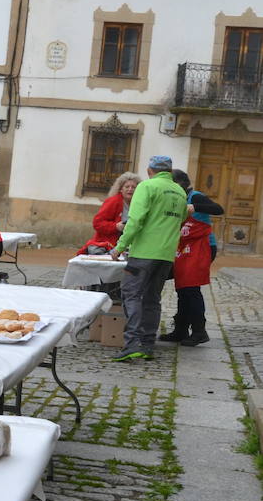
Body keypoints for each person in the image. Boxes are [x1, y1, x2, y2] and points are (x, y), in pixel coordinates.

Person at [109, 155, 188, 362]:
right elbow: (181, 220)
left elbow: (135, 221)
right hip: (166, 255)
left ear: (149, 170)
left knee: (131, 295)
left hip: (144, 253)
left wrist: (120, 247)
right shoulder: (180, 191)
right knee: (152, 299)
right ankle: (147, 344)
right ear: (169, 171)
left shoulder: (147, 187)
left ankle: (132, 343)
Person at [161, 169, 223, 345]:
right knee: (182, 288)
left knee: (191, 289)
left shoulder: (195, 196)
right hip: (183, 248)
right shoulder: (174, 197)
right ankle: (180, 329)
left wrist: (194, 207)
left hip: (202, 248)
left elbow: (218, 209)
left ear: (180, 183)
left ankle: (199, 331)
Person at [78, 171, 139, 255]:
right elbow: (97, 223)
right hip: (108, 245)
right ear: (121, 189)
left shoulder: (139, 204)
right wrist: (116, 226)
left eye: (133, 187)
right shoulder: (113, 201)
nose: (130, 189)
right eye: (127, 187)